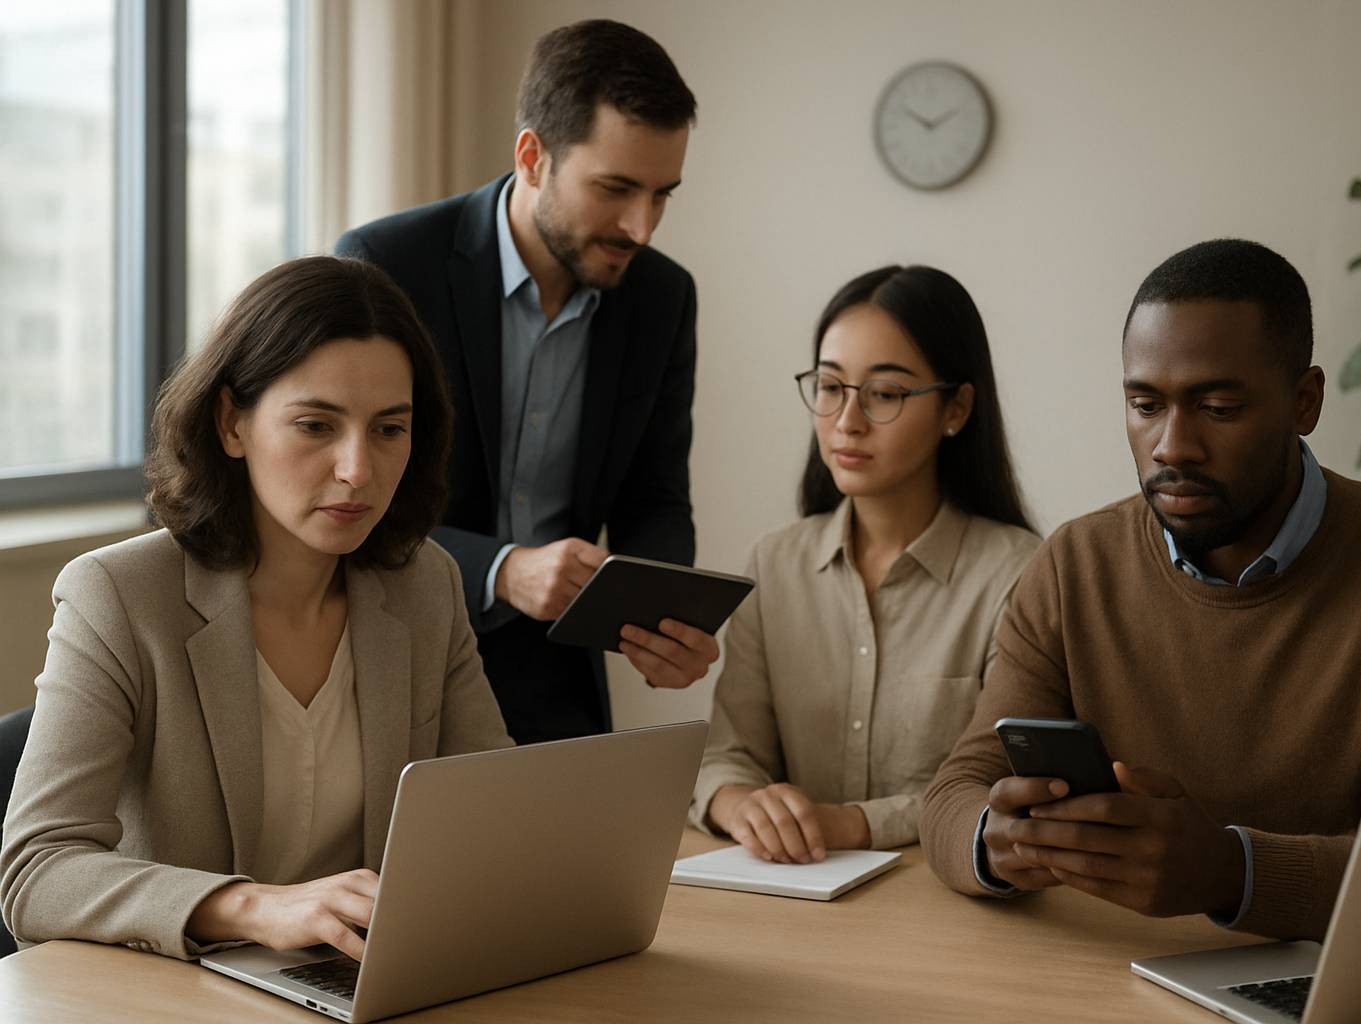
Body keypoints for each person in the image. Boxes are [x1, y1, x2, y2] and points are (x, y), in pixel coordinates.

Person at [920, 238, 1361, 940]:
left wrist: (1231, 872)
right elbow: (953, 795)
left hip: (1341, 986)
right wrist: (1000, 843)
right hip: (1117, 975)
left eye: (1216, 407)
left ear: (1303, 402)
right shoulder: (1074, 565)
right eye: (1145, 404)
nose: (1172, 446)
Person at [0, 256, 515, 961]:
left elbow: (497, 810)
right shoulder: (118, 596)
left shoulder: (426, 583)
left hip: (359, 981)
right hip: (181, 996)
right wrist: (250, 907)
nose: (357, 469)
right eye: (315, 425)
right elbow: (37, 873)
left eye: (390, 429)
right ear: (231, 424)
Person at [335, 19, 716, 745]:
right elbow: (349, 488)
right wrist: (501, 570)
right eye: (616, 189)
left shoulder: (664, 297)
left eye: (663, 194)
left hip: (561, 680)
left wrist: (664, 613)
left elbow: (656, 496)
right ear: (533, 157)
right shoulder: (386, 264)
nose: (642, 227)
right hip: (394, 659)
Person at [691, 266, 1043, 861]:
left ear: (956, 408)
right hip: (793, 895)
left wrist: (851, 824)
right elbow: (730, 751)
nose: (847, 421)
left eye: (885, 394)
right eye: (830, 387)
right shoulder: (774, 564)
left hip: (950, 904)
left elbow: (1001, 790)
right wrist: (736, 801)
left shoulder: (1020, 573)